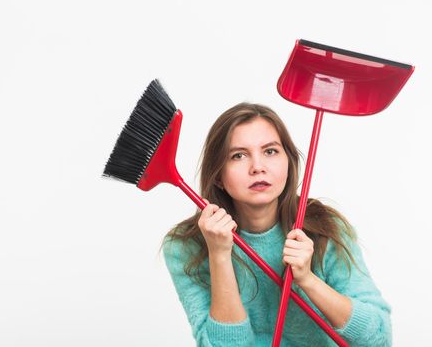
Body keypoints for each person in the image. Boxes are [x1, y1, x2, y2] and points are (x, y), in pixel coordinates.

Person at [161, 103, 391, 346]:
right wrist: (219, 255)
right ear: (218, 175)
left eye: (270, 151)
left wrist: (307, 279)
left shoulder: (326, 227)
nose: (257, 167)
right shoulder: (184, 246)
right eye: (238, 155)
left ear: (289, 162)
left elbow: (378, 339)